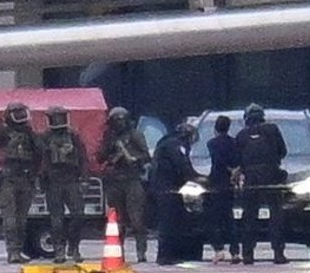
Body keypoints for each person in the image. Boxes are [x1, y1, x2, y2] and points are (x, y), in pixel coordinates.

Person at [0, 101, 40, 264]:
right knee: (10, 219)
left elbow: (39, 151)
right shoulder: (3, 131)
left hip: (25, 178)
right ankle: (12, 252)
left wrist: (34, 174)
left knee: (22, 219)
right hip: (8, 178)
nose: (21, 116)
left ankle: (18, 250)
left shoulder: (29, 132)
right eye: (16, 113)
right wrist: (0, 123)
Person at [234, 104, 289, 265]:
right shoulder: (273, 130)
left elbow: (238, 159)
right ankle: (278, 253)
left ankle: (248, 254)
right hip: (271, 176)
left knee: (249, 216)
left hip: (251, 179)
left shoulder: (241, 135)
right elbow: (283, 151)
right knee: (276, 215)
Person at [97, 106, 153, 262]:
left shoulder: (135, 135)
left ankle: (141, 253)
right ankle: (118, 251)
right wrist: (111, 149)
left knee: (137, 220)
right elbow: (100, 157)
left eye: (121, 120)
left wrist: (133, 158)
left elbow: (146, 155)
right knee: (117, 220)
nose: (119, 124)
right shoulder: (109, 137)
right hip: (115, 181)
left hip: (132, 179)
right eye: (116, 121)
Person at [39, 105, 89, 263]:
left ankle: (74, 247)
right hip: (53, 182)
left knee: (78, 215)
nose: (58, 120)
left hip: (72, 180)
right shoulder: (45, 137)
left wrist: (85, 179)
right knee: (56, 219)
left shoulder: (73, 136)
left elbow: (83, 158)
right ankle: (59, 250)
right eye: (55, 117)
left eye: (61, 116)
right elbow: (40, 159)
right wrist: (41, 180)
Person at [149, 117, 199, 264]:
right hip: (167, 189)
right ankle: (165, 256)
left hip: (165, 187)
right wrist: (196, 178)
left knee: (173, 221)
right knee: (168, 222)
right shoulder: (175, 145)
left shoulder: (166, 142)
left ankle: (170, 254)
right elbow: (182, 165)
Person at [204, 114, 240, 263]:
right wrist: (234, 171)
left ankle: (219, 249)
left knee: (214, 219)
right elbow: (237, 160)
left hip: (216, 183)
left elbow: (217, 161)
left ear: (215, 128)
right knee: (229, 218)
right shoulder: (234, 143)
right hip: (229, 184)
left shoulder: (211, 143)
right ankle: (235, 251)